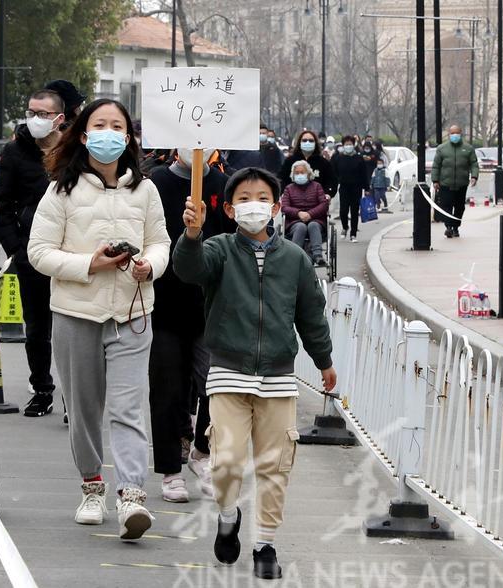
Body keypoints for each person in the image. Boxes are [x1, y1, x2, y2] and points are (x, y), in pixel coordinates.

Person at [173, 167, 336, 580]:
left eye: (262, 197)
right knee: (224, 462)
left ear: (276, 206)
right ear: (229, 208)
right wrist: (191, 234)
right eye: (244, 199)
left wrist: (324, 360)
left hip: (279, 378)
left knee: (274, 466)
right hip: (228, 372)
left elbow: (310, 315)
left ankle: (265, 543)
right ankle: (228, 515)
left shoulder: (295, 259)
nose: (254, 206)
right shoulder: (219, 249)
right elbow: (188, 270)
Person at [27, 98, 170, 540]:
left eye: (118, 126)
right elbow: (39, 253)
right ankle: (92, 486)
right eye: (99, 125)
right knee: (85, 409)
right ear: (85, 136)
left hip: (132, 313)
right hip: (76, 313)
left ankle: (131, 496)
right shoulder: (61, 191)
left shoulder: (145, 190)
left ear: (127, 138)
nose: (109, 133)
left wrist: (150, 265)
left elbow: (161, 242)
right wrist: (90, 263)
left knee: (129, 408)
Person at [148, 146, 232, 503]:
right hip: (164, 302)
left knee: (215, 384)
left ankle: (202, 450)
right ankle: (170, 470)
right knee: (166, 389)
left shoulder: (224, 185)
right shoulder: (155, 182)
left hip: (212, 305)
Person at [0, 89, 65, 417]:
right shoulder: (14, 152)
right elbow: (3, 204)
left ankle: (74, 399)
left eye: (44, 113)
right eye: (31, 111)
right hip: (30, 255)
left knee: (72, 329)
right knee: (36, 329)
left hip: (73, 257)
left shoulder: (75, 152)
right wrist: (16, 247)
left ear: (59, 118)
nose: (36, 119)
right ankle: (41, 388)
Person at [432, 124, 479, 238]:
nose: (455, 135)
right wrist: (435, 180)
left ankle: (455, 227)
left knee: (459, 207)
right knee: (446, 206)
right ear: (449, 134)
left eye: (456, 133)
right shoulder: (442, 149)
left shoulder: (468, 149)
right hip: (445, 183)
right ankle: (448, 227)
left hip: (461, 183)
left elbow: (474, 164)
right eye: (452, 133)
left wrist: (474, 176)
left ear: (460, 134)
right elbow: (436, 166)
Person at [281, 160, 329, 266]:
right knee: (300, 227)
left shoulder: (317, 186)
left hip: (315, 219)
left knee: (313, 225)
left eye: (302, 172)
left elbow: (324, 204)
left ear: (308, 173)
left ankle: (318, 256)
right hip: (295, 221)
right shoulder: (289, 189)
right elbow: (284, 207)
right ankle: (294, 256)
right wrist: (298, 213)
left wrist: (310, 214)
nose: (299, 175)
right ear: (293, 175)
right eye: (296, 173)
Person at [278, 129, 336, 199]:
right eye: (304, 140)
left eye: (311, 141)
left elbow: (331, 181)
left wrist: (328, 194)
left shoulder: (323, 163)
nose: (307, 143)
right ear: (299, 143)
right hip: (294, 201)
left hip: (317, 202)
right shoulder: (290, 161)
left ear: (315, 143)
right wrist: (284, 192)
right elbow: (281, 179)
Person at [332, 135, 368, 242]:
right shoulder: (338, 158)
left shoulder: (359, 158)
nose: (348, 146)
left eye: (350, 144)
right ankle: (345, 226)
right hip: (344, 187)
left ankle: (353, 234)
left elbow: (364, 174)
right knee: (343, 210)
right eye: (346, 144)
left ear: (354, 145)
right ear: (343, 145)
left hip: (356, 188)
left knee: (354, 211)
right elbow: (334, 172)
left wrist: (366, 188)